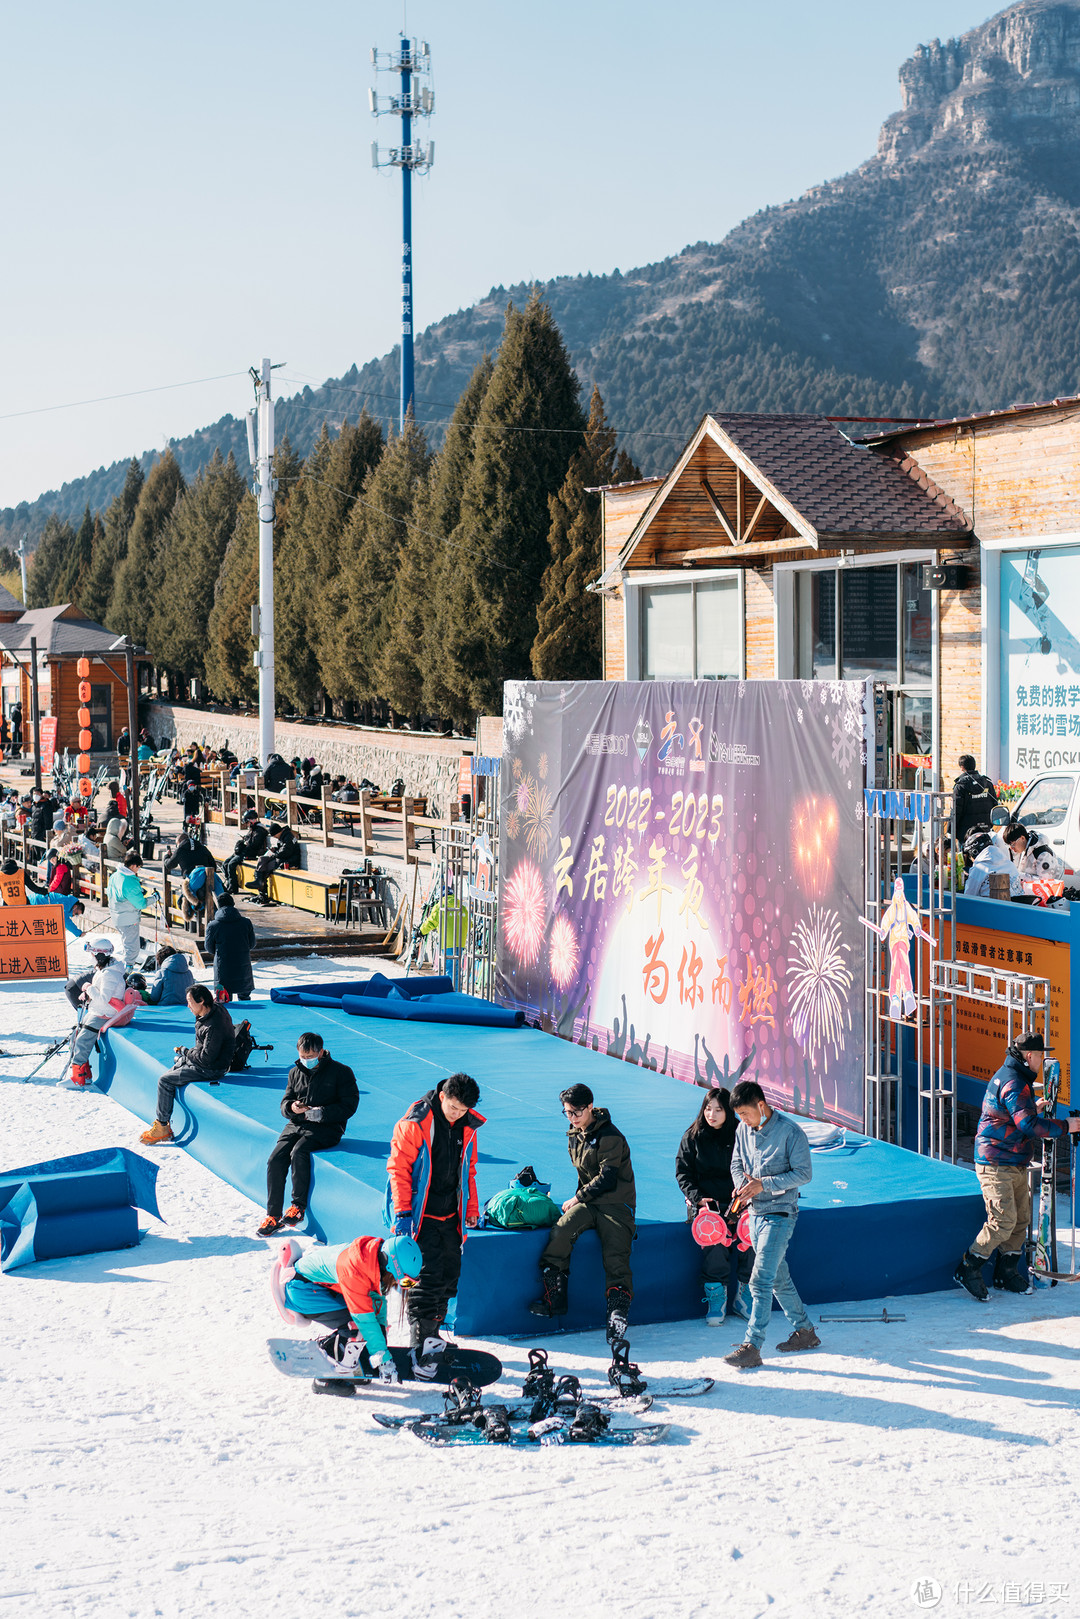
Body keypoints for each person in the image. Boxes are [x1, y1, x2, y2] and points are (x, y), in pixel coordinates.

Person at [954, 1032, 1079, 1300]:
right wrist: (1067, 1126)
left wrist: (1031, 1106)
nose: (1042, 1060)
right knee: (1003, 1220)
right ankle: (968, 1267)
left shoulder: (1013, 1077)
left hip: (1011, 1159)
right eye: (1041, 1055)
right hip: (996, 1161)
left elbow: (1011, 1114)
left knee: (1021, 1219)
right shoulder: (1014, 1082)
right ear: (1030, 1056)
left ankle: (1006, 1272)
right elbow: (1028, 1126)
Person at [529, 1082, 636, 1345]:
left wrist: (577, 1197)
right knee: (562, 1229)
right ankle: (555, 1296)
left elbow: (608, 1178)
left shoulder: (610, 1135)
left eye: (577, 1112)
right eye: (567, 1112)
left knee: (616, 1253)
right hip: (590, 1201)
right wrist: (579, 1201)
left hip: (616, 1203)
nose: (573, 1118)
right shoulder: (575, 1134)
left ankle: (617, 1315)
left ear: (590, 1107)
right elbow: (584, 1175)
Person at [386, 1072, 484, 1358]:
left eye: (462, 1110)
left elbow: (469, 1171)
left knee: (449, 1277)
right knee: (423, 1279)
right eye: (453, 1107)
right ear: (442, 1096)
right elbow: (398, 1170)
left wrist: (472, 1208)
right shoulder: (415, 1122)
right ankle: (419, 1339)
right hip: (419, 1215)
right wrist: (403, 1213)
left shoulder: (468, 1125)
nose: (456, 1114)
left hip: (450, 1214)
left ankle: (434, 1334)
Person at [722, 1081, 818, 1369]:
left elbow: (804, 1174)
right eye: (739, 1115)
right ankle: (806, 1332)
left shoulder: (790, 1132)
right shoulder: (743, 1130)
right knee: (777, 1277)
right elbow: (736, 1164)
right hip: (754, 1213)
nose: (743, 1121)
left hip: (780, 1214)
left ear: (761, 1106)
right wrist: (744, 1188)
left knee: (760, 1279)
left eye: (745, 1114)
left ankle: (752, 1345)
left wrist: (763, 1185)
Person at [274, 1232, 422, 1384]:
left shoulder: (372, 1259)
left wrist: (381, 1341)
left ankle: (351, 1363)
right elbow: (364, 1319)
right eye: (405, 1282)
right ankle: (327, 1375)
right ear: (392, 1267)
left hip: (314, 1286)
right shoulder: (355, 1270)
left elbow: (376, 1302)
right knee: (356, 1324)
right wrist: (383, 1359)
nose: (402, 1286)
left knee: (369, 1325)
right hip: (301, 1291)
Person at [258, 1032, 360, 1236]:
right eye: (303, 1056)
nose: (307, 1060)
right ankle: (273, 1215)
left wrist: (322, 1113)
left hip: (328, 1127)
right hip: (297, 1124)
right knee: (275, 1159)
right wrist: (292, 1107)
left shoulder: (341, 1072)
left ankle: (298, 1207)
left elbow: (350, 1105)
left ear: (321, 1052)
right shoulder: (295, 1072)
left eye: (311, 1056)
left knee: (299, 1152)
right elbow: (284, 1103)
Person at [676, 1087, 755, 1324]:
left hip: (738, 1197)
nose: (712, 1114)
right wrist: (697, 1196)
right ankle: (716, 1296)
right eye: (708, 1109)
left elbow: (752, 1166)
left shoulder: (742, 1134)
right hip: (706, 1202)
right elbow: (683, 1173)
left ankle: (745, 1294)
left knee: (749, 1233)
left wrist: (745, 1192)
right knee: (714, 1235)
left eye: (718, 1110)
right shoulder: (692, 1136)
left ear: (728, 1112)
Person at [139, 985, 235, 1145]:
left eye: (190, 1002)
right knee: (178, 1063)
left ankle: (162, 1126)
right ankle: (163, 1117)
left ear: (202, 1000)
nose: (188, 1006)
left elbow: (206, 1059)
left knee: (165, 1081)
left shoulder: (213, 1026)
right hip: (204, 1059)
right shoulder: (210, 1011)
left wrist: (185, 1051)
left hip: (212, 1068)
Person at [68, 938, 129, 1087]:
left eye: (93, 954)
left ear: (99, 956)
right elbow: (101, 993)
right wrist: (89, 993)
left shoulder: (110, 974)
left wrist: (88, 987)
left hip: (104, 1013)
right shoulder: (105, 970)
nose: (92, 957)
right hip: (98, 1010)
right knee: (75, 1035)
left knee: (82, 1041)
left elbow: (103, 998)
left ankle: (78, 1079)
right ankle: (85, 1073)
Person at [107, 849, 156, 965]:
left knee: (127, 945)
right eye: (138, 867)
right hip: (128, 918)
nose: (138, 870)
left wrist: (139, 893)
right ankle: (126, 972)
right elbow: (141, 904)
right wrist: (154, 898)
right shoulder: (129, 881)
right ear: (133, 866)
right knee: (132, 949)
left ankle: (125, 969)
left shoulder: (115, 875)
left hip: (117, 915)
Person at [203, 892, 255, 1000]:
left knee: (224, 1001)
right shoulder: (246, 923)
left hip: (223, 966)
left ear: (219, 905)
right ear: (233, 904)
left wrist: (220, 952)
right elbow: (252, 943)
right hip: (242, 963)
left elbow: (208, 947)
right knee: (245, 1000)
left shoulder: (213, 925)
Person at [247, 822, 301, 906]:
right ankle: (261, 888)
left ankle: (261, 888)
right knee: (263, 863)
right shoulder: (284, 836)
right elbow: (282, 849)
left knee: (263, 863)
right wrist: (274, 850)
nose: (274, 837)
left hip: (289, 861)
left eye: (274, 835)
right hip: (283, 859)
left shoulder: (288, 837)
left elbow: (286, 851)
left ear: (278, 832)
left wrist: (274, 854)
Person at [965, 824, 1025, 898]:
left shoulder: (979, 868)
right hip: (1017, 906)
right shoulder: (1010, 864)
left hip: (991, 908)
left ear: (974, 852)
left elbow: (969, 895)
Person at [953, 755, 999, 843]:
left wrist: (951, 831)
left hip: (965, 834)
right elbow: (995, 807)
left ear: (962, 768)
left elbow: (956, 811)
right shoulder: (987, 783)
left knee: (964, 856)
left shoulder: (960, 786)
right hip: (985, 831)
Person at [223, 810, 269, 895]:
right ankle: (229, 883)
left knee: (231, 864)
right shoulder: (252, 829)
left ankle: (233, 887)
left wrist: (245, 844)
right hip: (243, 851)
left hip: (250, 853)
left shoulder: (259, 830)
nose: (247, 825)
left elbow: (254, 845)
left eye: (247, 822)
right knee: (225, 863)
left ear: (252, 820)